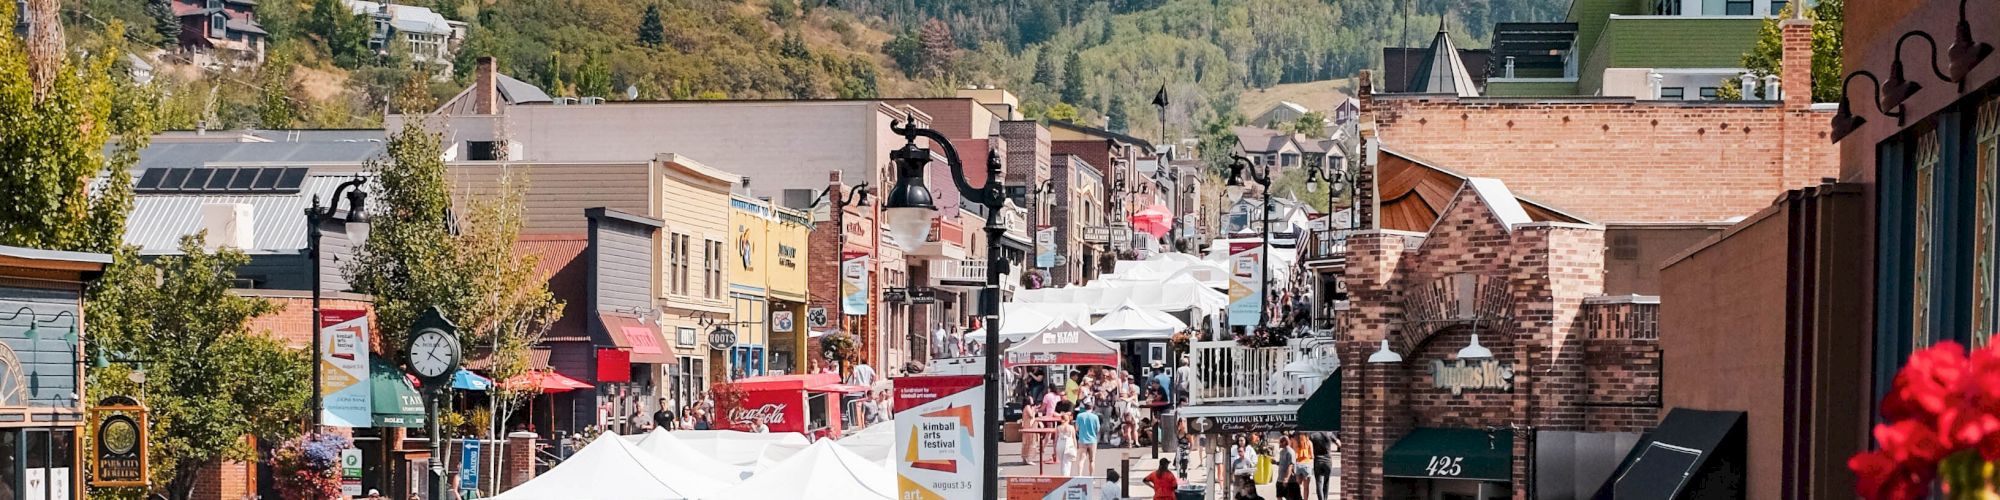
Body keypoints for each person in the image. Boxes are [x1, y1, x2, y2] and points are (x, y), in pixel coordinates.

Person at [1309, 432, 1334, 500]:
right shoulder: (1329, 433)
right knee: (1326, 482)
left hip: (1317, 461)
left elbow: (1308, 446)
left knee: (1319, 483)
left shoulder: (1312, 435)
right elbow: (1338, 443)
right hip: (1328, 461)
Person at [1075, 403, 1100, 472]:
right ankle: (1091, 477)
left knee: (1081, 460)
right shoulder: (1095, 417)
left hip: (1082, 440)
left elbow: (1076, 428)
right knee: (1092, 460)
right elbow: (1097, 429)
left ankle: (1079, 475)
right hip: (1092, 440)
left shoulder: (1079, 416)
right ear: (1092, 408)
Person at [1055, 401, 1078, 476]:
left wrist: (1054, 449)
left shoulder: (1058, 427)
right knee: (1068, 462)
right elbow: (1074, 438)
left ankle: (1063, 475)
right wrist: (1075, 448)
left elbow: (1055, 439)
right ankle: (1066, 477)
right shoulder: (1071, 427)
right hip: (1068, 445)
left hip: (1060, 444)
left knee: (1062, 462)